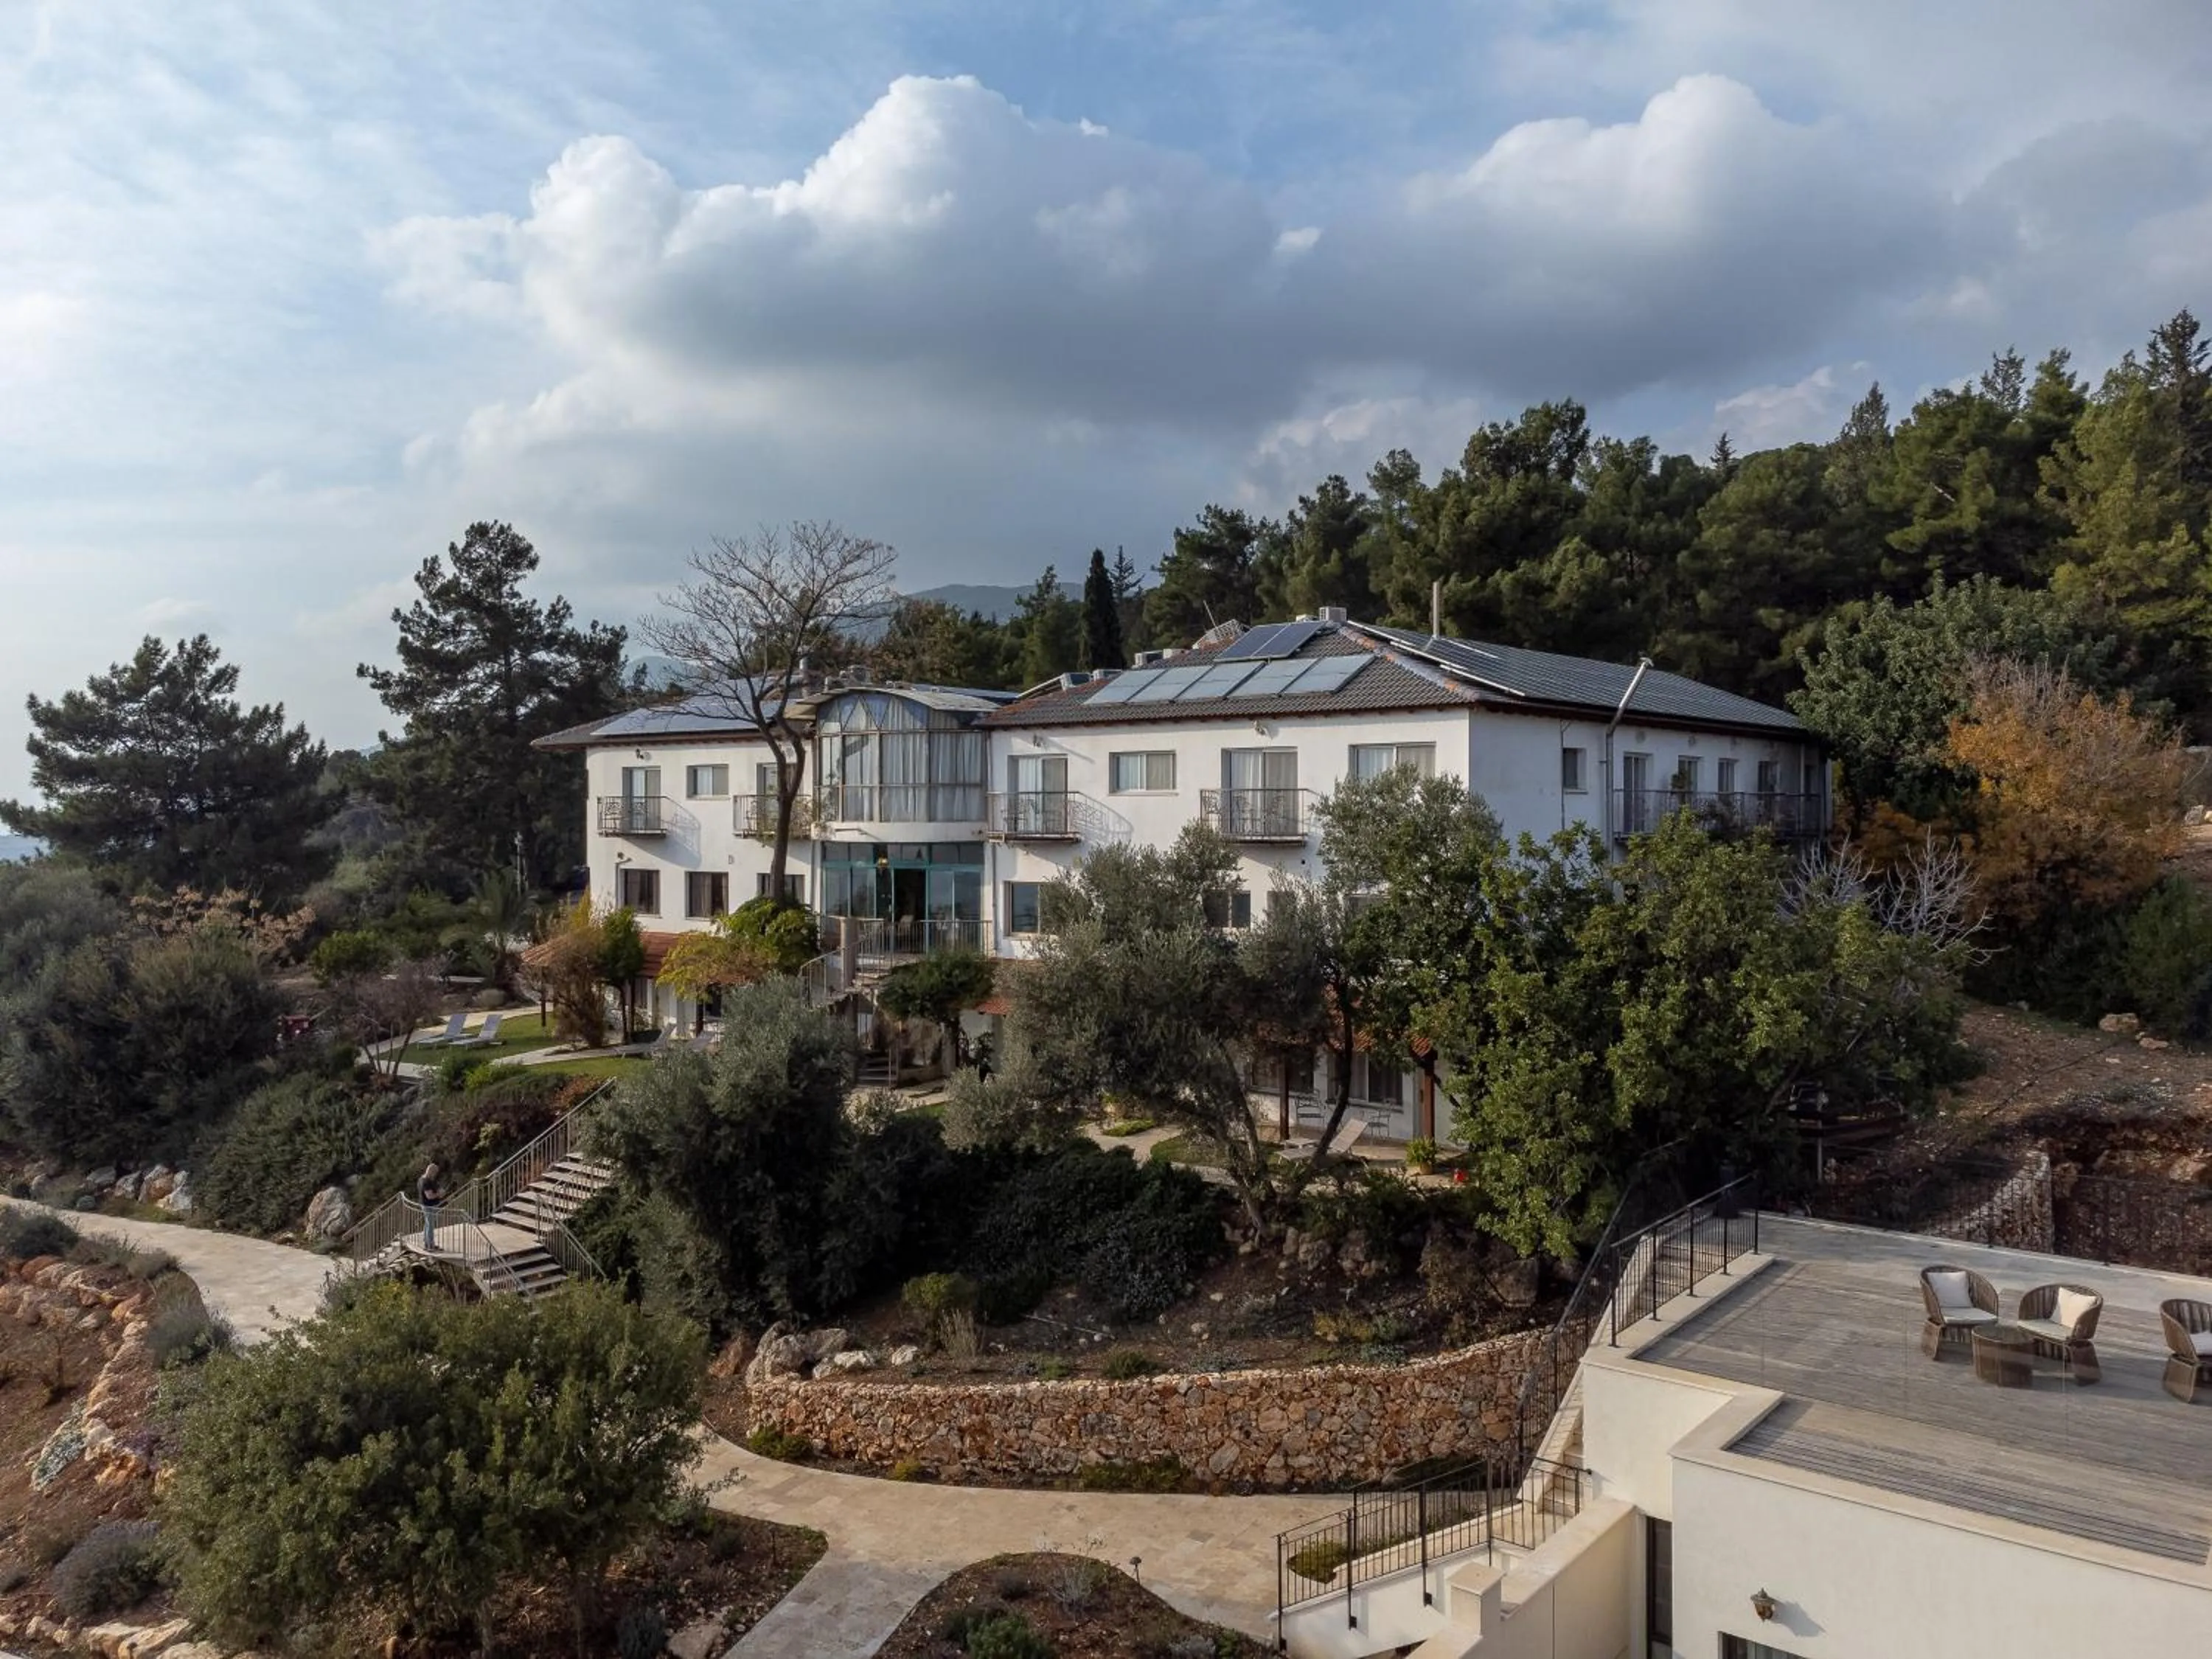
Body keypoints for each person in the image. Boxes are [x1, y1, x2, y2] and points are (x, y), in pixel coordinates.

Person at [419, 1162, 445, 1249]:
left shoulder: (426, 1179)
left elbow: (436, 1187)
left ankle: (427, 1242)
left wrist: (440, 1192)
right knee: (430, 1225)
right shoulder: (426, 1182)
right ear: (431, 1171)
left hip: (428, 1205)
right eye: (434, 1173)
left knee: (428, 1224)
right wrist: (439, 1194)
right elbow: (429, 1196)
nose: (435, 1175)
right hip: (428, 1206)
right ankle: (430, 1244)